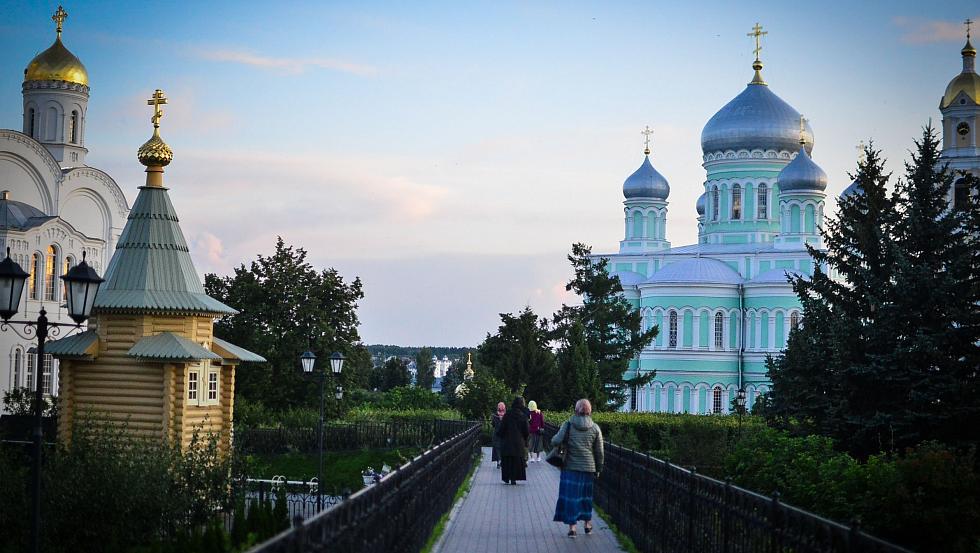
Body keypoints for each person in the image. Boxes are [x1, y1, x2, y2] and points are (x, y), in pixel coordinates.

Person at [552, 398, 604, 538]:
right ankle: (587, 525)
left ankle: (573, 528)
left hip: (570, 467)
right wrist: (598, 469)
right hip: (588, 468)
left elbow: (555, 441)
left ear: (576, 410)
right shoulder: (595, 428)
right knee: (585, 497)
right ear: (590, 411)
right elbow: (599, 452)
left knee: (571, 497)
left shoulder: (568, 424)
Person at [495, 396, 529, 485]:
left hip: (507, 441)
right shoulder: (522, 416)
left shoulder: (508, 414)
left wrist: (500, 435)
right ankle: (514, 478)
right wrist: (525, 439)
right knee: (516, 461)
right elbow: (526, 430)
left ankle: (507, 477)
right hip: (519, 442)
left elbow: (502, 428)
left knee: (507, 460)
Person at [491, 402, 505, 468]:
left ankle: (499, 461)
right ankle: (502, 461)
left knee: (497, 448)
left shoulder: (495, 415)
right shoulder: (506, 415)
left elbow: (493, 424)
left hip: (496, 433)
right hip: (504, 434)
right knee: (503, 448)